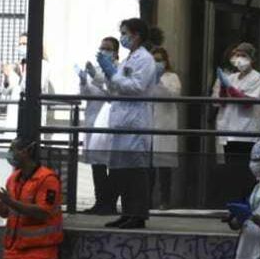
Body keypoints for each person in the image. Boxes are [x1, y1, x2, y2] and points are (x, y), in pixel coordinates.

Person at [102, 17, 156, 229]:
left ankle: (138, 214)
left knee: (135, 171)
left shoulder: (145, 59)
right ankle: (126, 212)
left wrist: (114, 77)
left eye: (125, 33)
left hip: (135, 121)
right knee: (122, 171)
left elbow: (137, 87)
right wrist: (108, 74)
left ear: (137, 35)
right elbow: (115, 88)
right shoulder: (128, 59)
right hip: (122, 121)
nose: (122, 37)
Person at [212, 42, 260, 204]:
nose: (239, 59)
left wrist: (230, 88)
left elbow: (248, 103)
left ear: (252, 59)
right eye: (237, 55)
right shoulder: (231, 77)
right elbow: (221, 102)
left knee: (243, 173)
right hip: (229, 131)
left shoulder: (257, 78)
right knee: (231, 173)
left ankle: (246, 205)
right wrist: (223, 86)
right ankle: (234, 206)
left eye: (243, 56)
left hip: (246, 132)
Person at [77, 36, 121, 214]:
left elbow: (113, 90)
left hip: (110, 121)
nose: (104, 51)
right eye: (102, 48)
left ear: (116, 53)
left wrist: (96, 77)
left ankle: (109, 203)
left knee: (114, 166)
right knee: (97, 165)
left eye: (108, 49)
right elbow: (86, 94)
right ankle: (100, 202)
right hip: (93, 120)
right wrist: (83, 81)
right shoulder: (94, 69)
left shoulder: (118, 70)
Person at [149, 45, 183, 210]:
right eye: (154, 60)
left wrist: (159, 82)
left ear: (165, 61)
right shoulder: (146, 77)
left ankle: (165, 200)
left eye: (159, 60)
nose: (157, 63)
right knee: (148, 169)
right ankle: (146, 200)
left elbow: (173, 95)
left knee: (164, 168)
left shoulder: (172, 77)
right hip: (149, 126)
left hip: (164, 126)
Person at [2, 31, 56, 135]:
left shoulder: (43, 65)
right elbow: (5, 91)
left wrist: (21, 73)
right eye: (20, 44)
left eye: (25, 44)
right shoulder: (18, 65)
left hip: (32, 114)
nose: (22, 47)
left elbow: (35, 86)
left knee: (30, 140)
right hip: (15, 113)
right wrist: (6, 76)